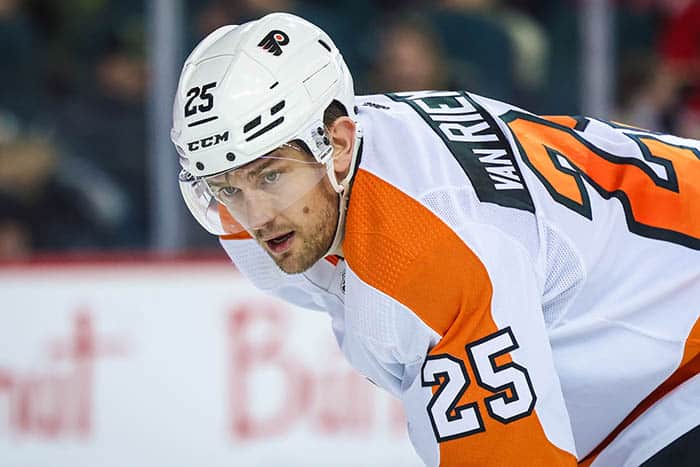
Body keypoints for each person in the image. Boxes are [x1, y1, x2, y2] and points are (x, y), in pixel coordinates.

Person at [171, 13, 700, 466]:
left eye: (270, 175)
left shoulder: (426, 257)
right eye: (224, 184)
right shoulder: (317, 176)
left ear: (336, 145)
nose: (255, 216)